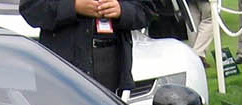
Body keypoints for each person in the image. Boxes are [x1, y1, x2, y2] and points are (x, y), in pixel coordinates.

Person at [20, 0, 155, 93]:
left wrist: (122, 10)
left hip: (110, 72)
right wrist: (74, 6)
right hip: (61, 74)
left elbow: (147, 10)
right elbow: (31, 8)